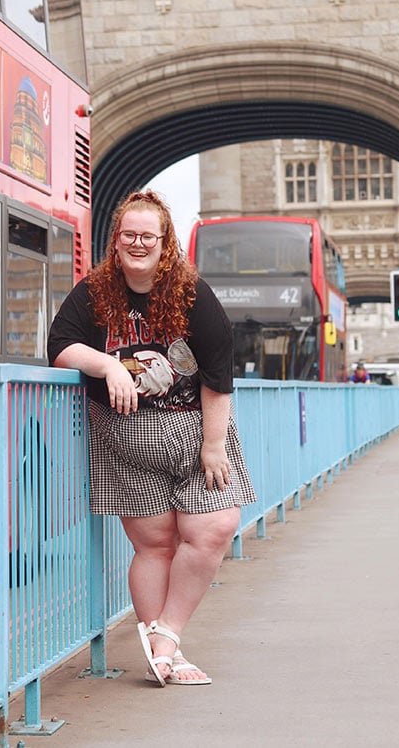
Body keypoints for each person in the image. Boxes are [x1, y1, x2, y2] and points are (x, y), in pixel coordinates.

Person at [47, 190, 256, 687]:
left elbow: (218, 368)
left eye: (148, 236)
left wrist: (214, 443)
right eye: (129, 235)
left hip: (193, 428)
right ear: (115, 239)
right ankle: (166, 657)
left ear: (165, 243)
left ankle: (166, 635)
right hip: (125, 437)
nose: (138, 243)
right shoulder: (95, 290)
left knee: (214, 527)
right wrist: (105, 365)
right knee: (156, 546)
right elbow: (59, 346)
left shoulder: (189, 291)